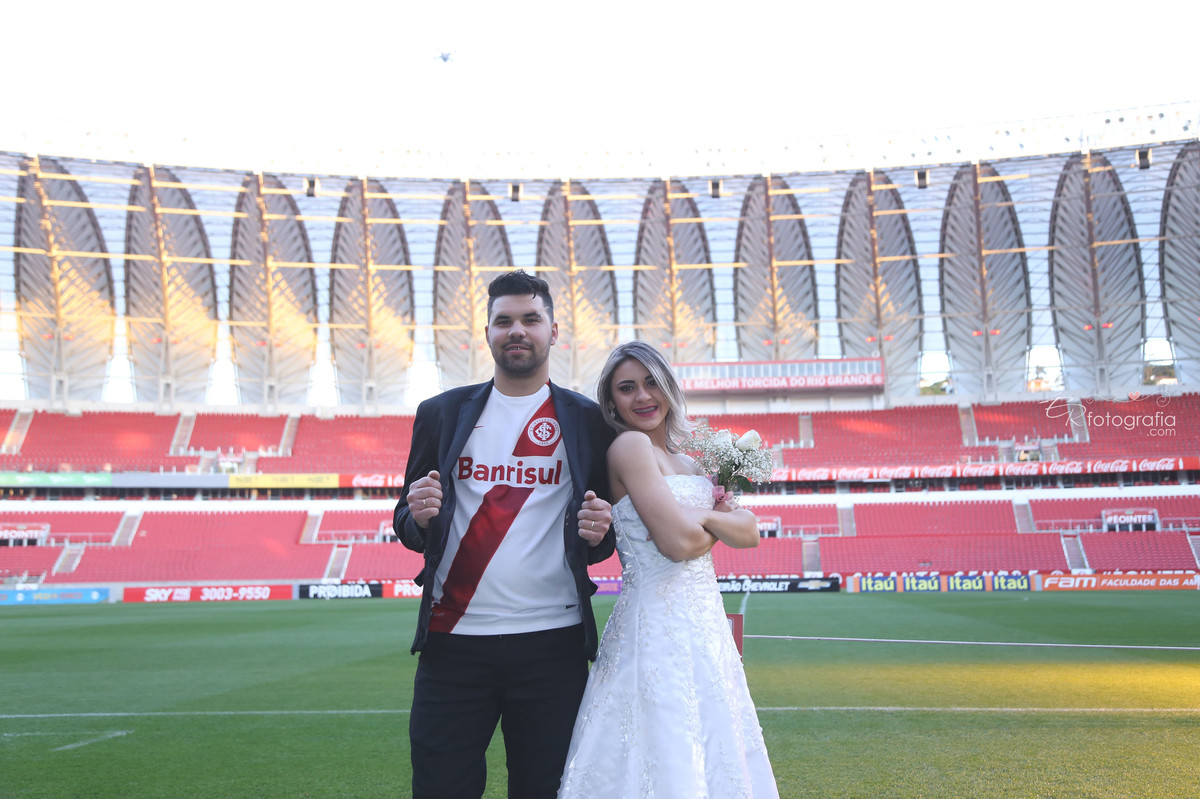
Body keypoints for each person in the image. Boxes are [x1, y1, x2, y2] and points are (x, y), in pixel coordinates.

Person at [393, 270, 617, 799]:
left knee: (546, 789)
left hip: (552, 643)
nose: (517, 330)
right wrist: (417, 516)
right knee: (441, 788)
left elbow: (600, 538)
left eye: (530, 319)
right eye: (504, 321)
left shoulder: (588, 420)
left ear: (553, 331)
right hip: (453, 642)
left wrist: (599, 533)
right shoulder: (441, 413)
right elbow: (407, 522)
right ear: (488, 332)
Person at [558, 340, 779, 798]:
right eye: (627, 388)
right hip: (656, 628)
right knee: (664, 748)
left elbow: (750, 532)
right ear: (611, 402)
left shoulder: (691, 462)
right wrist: (711, 520)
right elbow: (677, 545)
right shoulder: (630, 447)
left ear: (669, 387)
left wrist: (700, 516)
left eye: (652, 382)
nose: (643, 396)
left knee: (712, 746)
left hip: (705, 627)